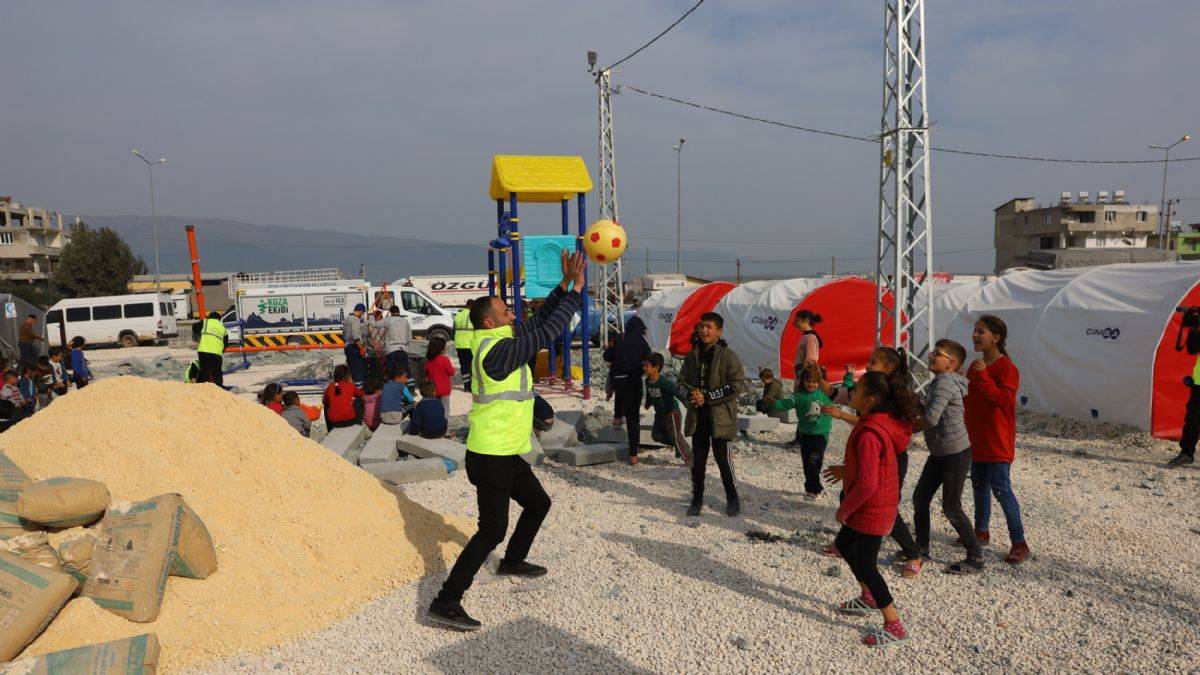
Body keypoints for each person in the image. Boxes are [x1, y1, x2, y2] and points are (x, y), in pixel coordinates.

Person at [428, 250, 584, 632]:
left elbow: (540, 321)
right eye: (504, 310)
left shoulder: (502, 340)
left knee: (538, 503)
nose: (512, 312)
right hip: (490, 455)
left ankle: (514, 560)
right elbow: (548, 332)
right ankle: (446, 600)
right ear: (488, 320)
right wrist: (578, 292)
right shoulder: (496, 353)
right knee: (491, 529)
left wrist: (563, 286)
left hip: (505, 451)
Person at [824, 370, 920, 648]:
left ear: (872, 399)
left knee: (866, 564)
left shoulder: (869, 433)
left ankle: (893, 624)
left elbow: (867, 483)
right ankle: (868, 596)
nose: (851, 393)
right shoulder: (880, 422)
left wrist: (844, 510)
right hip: (875, 504)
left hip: (871, 508)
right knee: (843, 544)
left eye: (857, 390)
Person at [820, 346, 921, 566]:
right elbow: (840, 395)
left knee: (885, 507)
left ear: (889, 368)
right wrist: (820, 380)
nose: (867, 365)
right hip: (870, 451)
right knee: (848, 495)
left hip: (889, 457)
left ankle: (913, 554)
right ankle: (844, 543)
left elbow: (876, 429)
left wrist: (841, 415)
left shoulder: (889, 398)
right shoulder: (870, 387)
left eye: (873, 362)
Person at [912, 339, 982, 575]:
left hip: (954, 454)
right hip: (941, 452)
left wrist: (907, 427)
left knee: (951, 506)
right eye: (932, 352)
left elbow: (930, 419)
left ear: (951, 364)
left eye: (937, 354)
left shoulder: (943, 384)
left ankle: (976, 557)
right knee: (920, 497)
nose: (931, 356)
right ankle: (920, 548)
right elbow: (927, 411)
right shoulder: (938, 382)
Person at [964, 314, 1030, 565]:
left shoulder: (1007, 368)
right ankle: (981, 531)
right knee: (978, 484)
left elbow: (1003, 401)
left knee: (1001, 489)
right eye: (974, 331)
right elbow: (970, 400)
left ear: (996, 337)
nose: (975, 336)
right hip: (976, 438)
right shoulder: (975, 366)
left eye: (981, 331)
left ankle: (1019, 542)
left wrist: (983, 377)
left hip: (997, 440)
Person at [678, 312, 745, 517]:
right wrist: (692, 395)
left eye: (709, 327)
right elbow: (679, 383)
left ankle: (733, 498)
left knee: (724, 462)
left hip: (721, 419)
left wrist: (706, 397)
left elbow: (736, 385)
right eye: (702, 326)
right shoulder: (692, 356)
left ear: (719, 331)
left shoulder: (728, 356)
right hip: (698, 418)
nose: (704, 331)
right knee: (698, 463)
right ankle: (697, 499)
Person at [766, 363, 833, 500]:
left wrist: (849, 376)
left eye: (814, 382)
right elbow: (783, 405)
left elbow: (838, 396)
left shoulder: (823, 394)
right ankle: (811, 488)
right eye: (808, 381)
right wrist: (772, 402)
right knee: (807, 463)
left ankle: (815, 490)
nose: (811, 385)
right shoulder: (797, 396)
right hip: (805, 434)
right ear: (802, 381)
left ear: (819, 382)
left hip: (820, 435)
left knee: (814, 462)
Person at [611, 316, 651, 464]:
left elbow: (607, 356)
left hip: (618, 379)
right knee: (633, 418)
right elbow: (649, 361)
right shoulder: (642, 341)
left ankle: (617, 418)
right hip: (633, 380)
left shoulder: (619, 337)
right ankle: (633, 454)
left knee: (620, 396)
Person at [642, 353, 691, 465]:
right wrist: (647, 404)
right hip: (659, 415)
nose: (644, 367)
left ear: (656, 368)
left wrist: (687, 403)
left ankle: (689, 459)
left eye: (647, 365)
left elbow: (676, 392)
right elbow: (650, 394)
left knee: (675, 437)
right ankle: (680, 443)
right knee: (656, 436)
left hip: (671, 414)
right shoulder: (647, 381)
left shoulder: (664, 382)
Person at [323, 364, 363, 429]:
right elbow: (361, 394)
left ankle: (330, 429)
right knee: (359, 400)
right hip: (350, 420)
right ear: (347, 376)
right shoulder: (350, 386)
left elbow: (324, 402)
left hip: (334, 422)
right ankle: (358, 424)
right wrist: (351, 383)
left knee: (326, 406)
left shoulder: (330, 386)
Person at [424, 336, 457, 418]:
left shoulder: (428, 361)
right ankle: (444, 428)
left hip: (432, 390)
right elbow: (452, 372)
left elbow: (426, 375)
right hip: (444, 390)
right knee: (445, 411)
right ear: (441, 349)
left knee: (434, 410)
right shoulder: (444, 360)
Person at [196, 311, 228, 387]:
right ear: (219, 319)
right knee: (217, 373)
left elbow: (194, 328)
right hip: (216, 354)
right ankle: (219, 389)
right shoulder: (222, 327)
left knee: (205, 372)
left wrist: (199, 337)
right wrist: (221, 350)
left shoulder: (205, 322)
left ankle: (207, 390)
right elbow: (226, 343)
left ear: (209, 317)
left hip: (203, 352)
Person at [383, 305, 413, 379]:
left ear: (391, 312)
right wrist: (407, 347)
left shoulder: (388, 321)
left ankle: (392, 386)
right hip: (402, 348)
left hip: (390, 350)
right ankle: (410, 387)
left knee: (391, 371)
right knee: (406, 370)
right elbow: (409, 337)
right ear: (398, 312)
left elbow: (384, 336)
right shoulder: (405, 321)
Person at [792, 309, 823, 378]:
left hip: (806, 377)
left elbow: (810, 360)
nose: (795, 324)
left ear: (805, 320)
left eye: (797, 320)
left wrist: (804, 378)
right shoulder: (806, 337)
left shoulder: (810, 338)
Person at [342, 303, 368, 386]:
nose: (362, 315)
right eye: (363, 313)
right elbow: (355, 334)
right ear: (360, 311)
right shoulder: (356, 319)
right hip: (354, 347)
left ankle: (354, 388)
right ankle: (359, 392)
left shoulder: (347, 319)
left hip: (347, 347)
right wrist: (361, 348)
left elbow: (343, 333)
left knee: (352, 370)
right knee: (358, 370)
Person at [453, 300, 475, 392]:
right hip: (469, 344)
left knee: (463, 365)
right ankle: (473, 386)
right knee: (472, 366)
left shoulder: (458, 315)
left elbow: (454, 328)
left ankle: (466, 385)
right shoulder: (473, 315)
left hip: (459, 344)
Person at [602, 333, 620, 413]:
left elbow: (607, 357)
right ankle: (609, 393)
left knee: (610, 377)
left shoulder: (613, 348)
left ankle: (609, 393)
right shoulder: (622, 347)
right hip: (624, 371)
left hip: (617, 371)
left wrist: (609, 348)